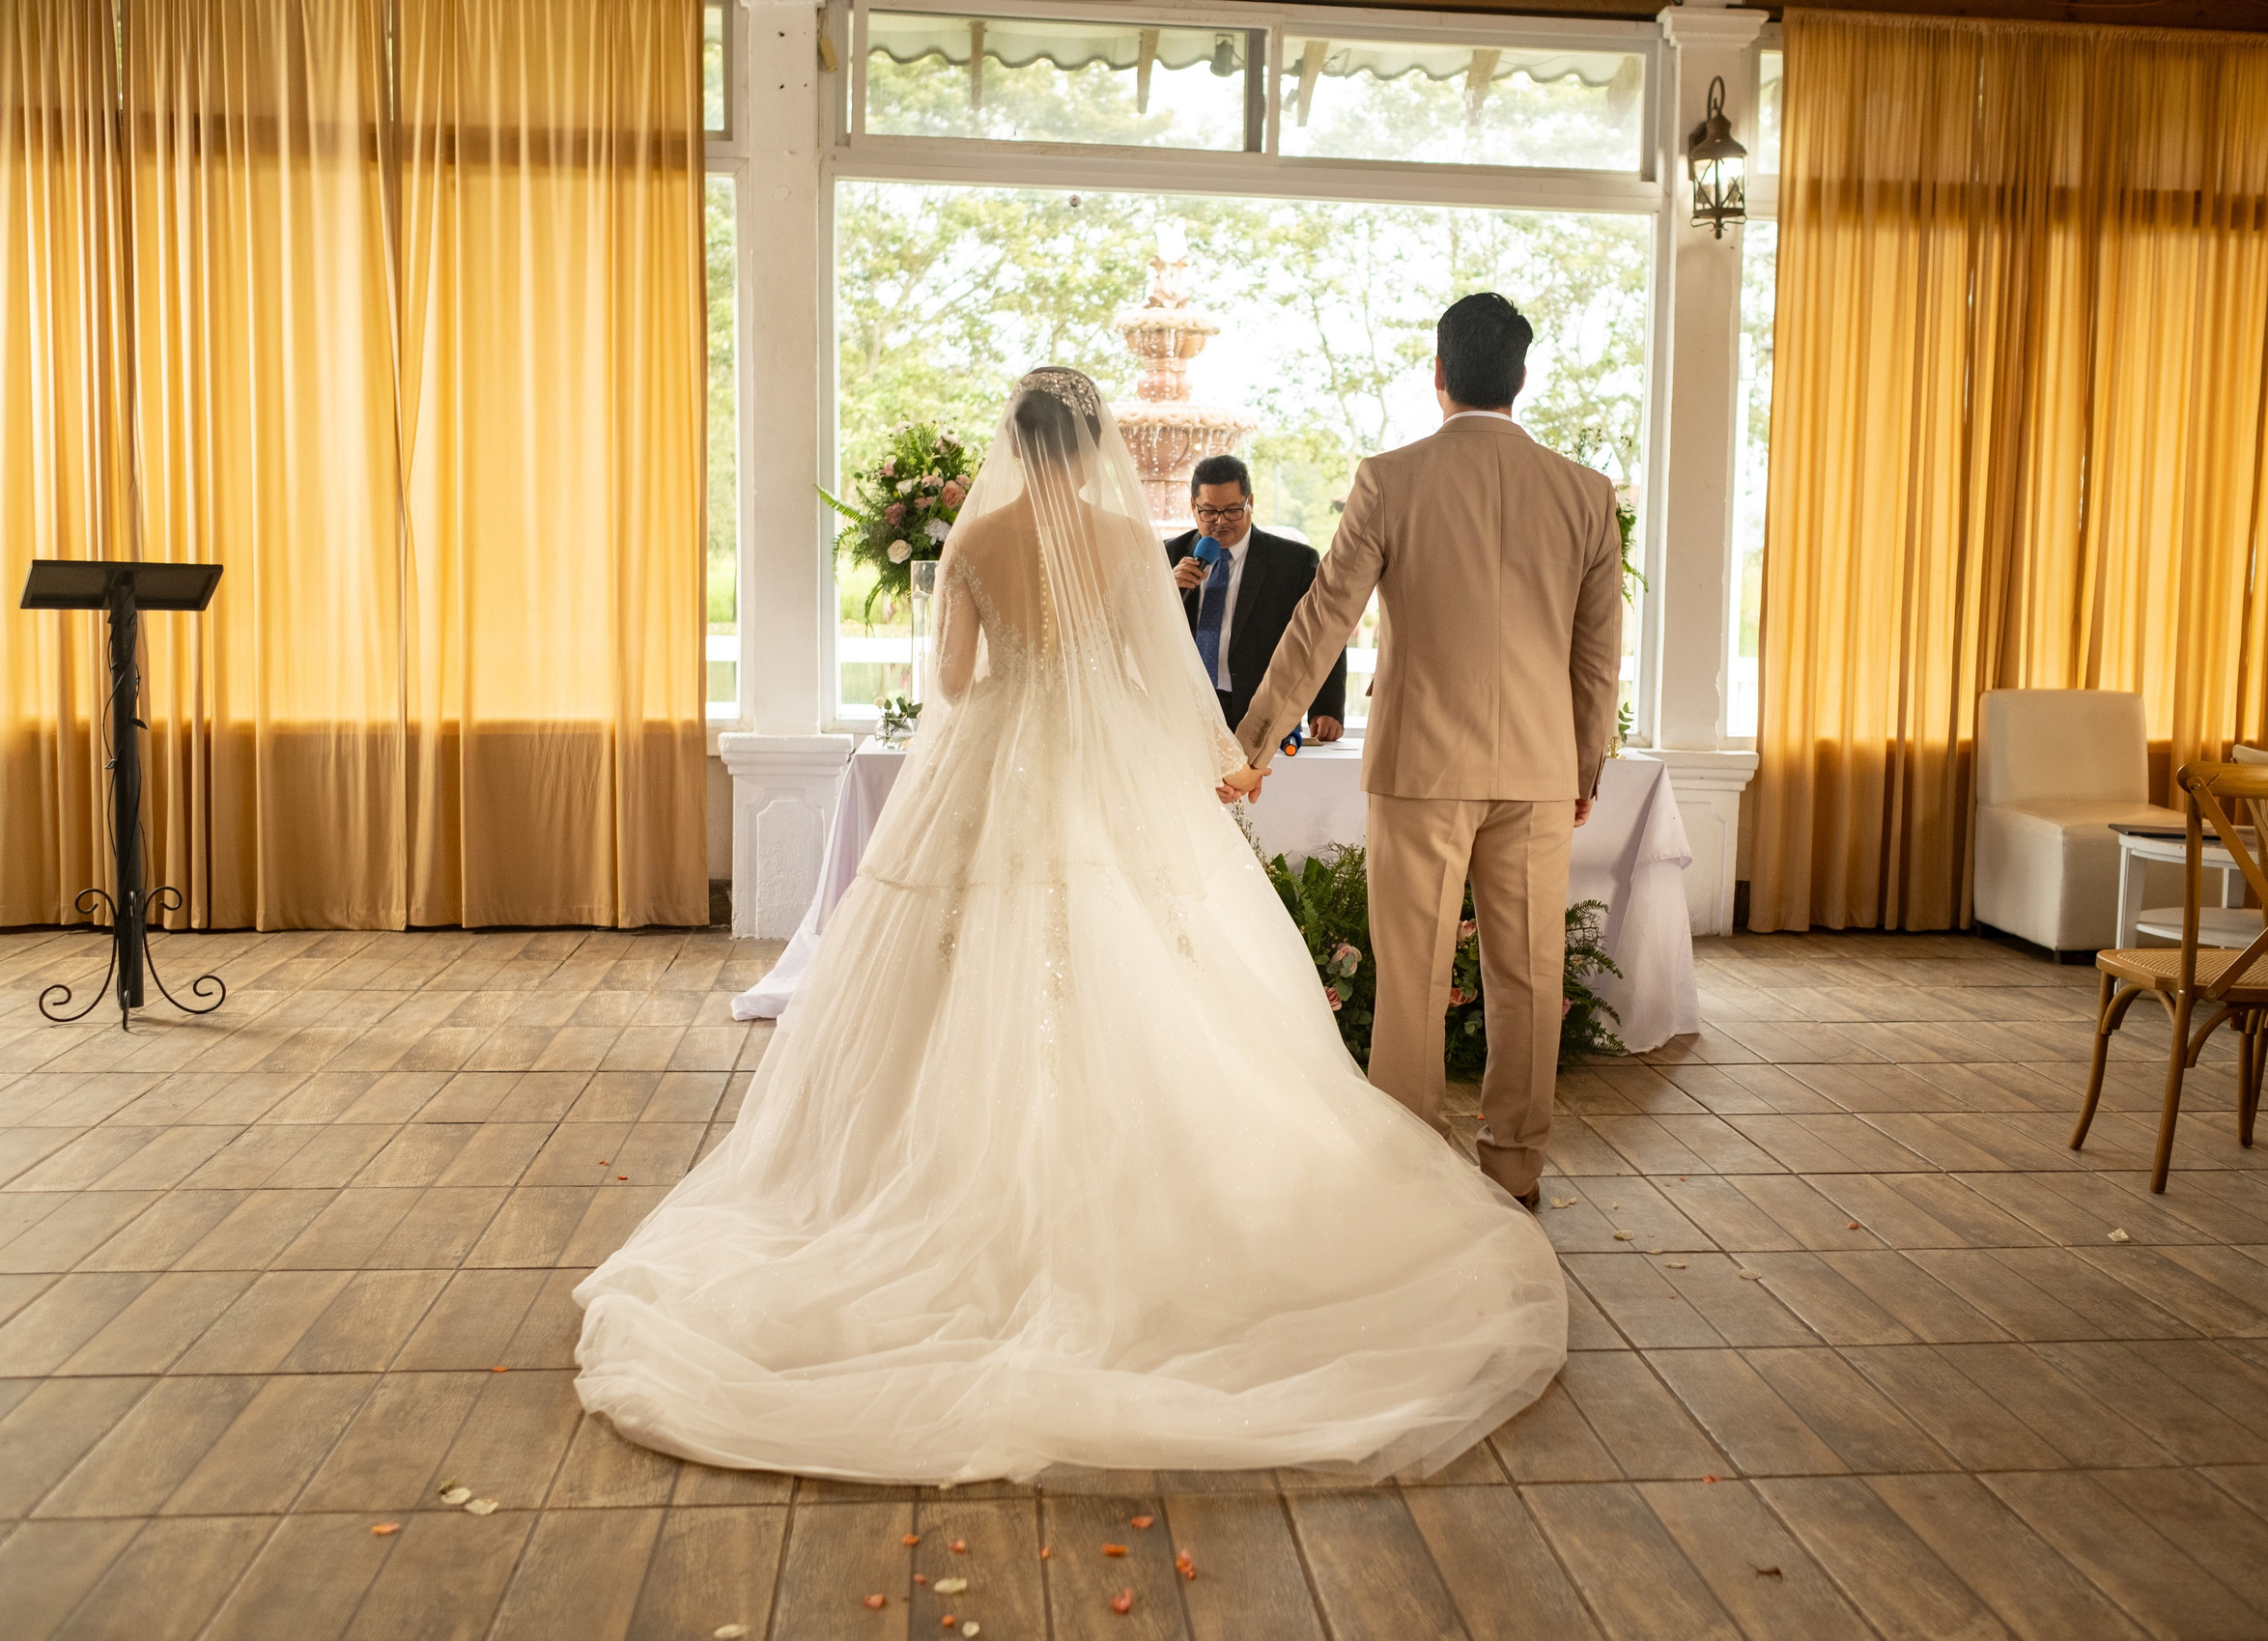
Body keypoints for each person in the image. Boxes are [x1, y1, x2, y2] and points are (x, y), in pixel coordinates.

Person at [573, 367, 1564, 1486]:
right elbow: (1156, 679)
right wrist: (1217, 761)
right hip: (1106, 777)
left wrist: (1007, 671)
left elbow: (954, 679)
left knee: (955, 959)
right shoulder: (1127, 543)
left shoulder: (978, 540)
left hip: (1001, 759)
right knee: (1153, 956)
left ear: (1014, 441)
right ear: (1091, 443)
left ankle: (932, 1174)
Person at [1224, 295, 1626, 1210]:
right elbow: (1598, 654)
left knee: (1411, 973)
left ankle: (1409, 1179)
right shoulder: (1584, 493)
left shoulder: (1389, 478)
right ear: (1521, 379)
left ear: (1438, 375)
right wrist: (1584, 768)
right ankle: (1515, 1169)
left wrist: (1256, 743)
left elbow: (1324, 617)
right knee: (1525, 976)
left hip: (1419, 767)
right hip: (1536, 768)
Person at [1166, 455, 1347, 741]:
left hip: (1263, 712)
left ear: (1250, 501)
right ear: (1193, 506)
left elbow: (1323, 634)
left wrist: (1326, 707)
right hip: (1184, 711)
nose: (1220, 522)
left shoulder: (1294, 563)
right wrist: (1167, 591)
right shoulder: (1168, 557)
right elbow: (1138, 632)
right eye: (1209, 512)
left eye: (1233, 510)